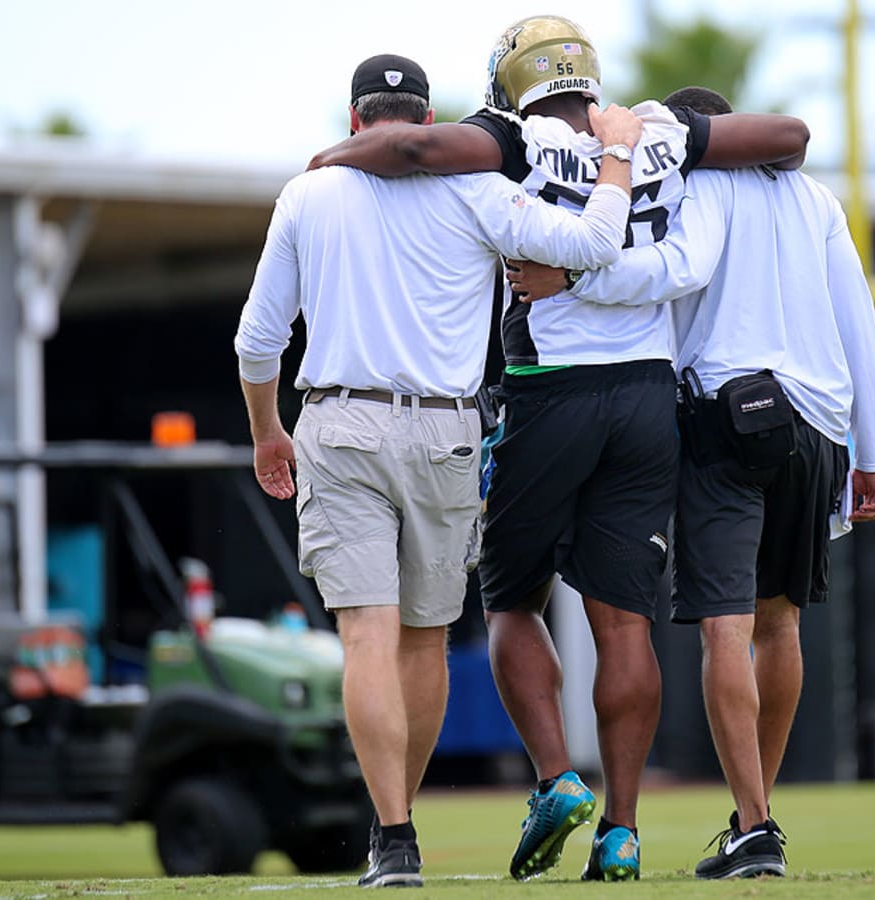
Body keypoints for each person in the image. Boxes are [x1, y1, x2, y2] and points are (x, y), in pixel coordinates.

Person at [307, 17, 811, 883]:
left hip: (550, 389)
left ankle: (554, 780)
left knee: (510, 601)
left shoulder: (511, 137)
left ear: (514, 80)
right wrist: (656, 137)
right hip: (649, 396)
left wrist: (335, 158)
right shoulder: (652, 133)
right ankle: (622, 829)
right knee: (625, 623)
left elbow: (418, 151)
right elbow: (789, 137)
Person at [233, 52, 644, 888]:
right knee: (423, 643)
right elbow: (600, 242)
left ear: (356, 123)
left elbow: (257, 341)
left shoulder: (308, 192)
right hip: (448, 431)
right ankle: (401, 829)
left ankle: (392, 837)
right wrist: (616, 155)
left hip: (341, 423)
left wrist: (267, 432)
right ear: (429, 123)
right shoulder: (478, 188)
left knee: (365, 639)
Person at [508, 85, 875, 880]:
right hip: (819, 423)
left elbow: (682, 267)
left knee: (726, 628)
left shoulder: (703, 184)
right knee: (781, 629)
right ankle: (755, 818)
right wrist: (872, 452)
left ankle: (756, 824)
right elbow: (859, 316)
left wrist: (572, 280)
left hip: (729, 414)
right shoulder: (818, 199)